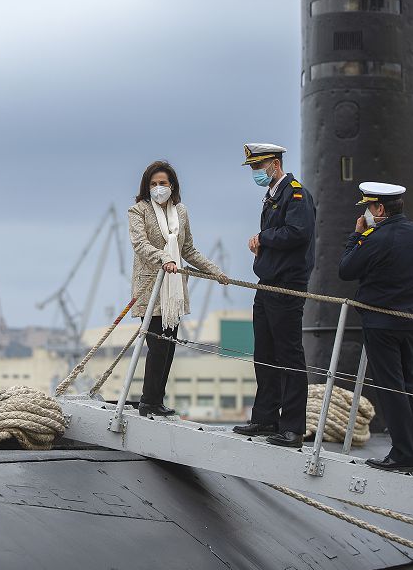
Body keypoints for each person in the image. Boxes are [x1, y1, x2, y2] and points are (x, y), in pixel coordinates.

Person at [339, 182, 413, 473]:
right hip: (410, 322)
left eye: (369, 207)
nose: (367, 212)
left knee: (391, 388)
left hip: (381, 323)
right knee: (411, 386)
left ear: (379, 208)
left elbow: (346, 270)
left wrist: (357, 235)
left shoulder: (374, 238)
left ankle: (403, 453)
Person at [128, 160, 228, 417]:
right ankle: (148, 401)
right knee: (158, 345)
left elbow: (188, 249)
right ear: (146, 187)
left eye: (162, 183)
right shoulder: (138, 211)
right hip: (151, 287)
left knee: (170, 346)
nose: (158, 188)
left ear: (172, 185)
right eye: (153, 184)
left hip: (173, 292)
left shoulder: (181, 212)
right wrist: (165, 258)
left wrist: (215, 271)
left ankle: (157, 400)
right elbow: (139, 244)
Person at [233, 143, 315, 448]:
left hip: (286, 286)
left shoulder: (295, 194)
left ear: (275, 164)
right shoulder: (272, 197)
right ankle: (265, 416)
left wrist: (262, 238)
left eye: (259, 167)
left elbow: (299, 233)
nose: (256, 172)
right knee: (265, 353)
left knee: (289, 355)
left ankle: (292, 426)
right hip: (267, 284)